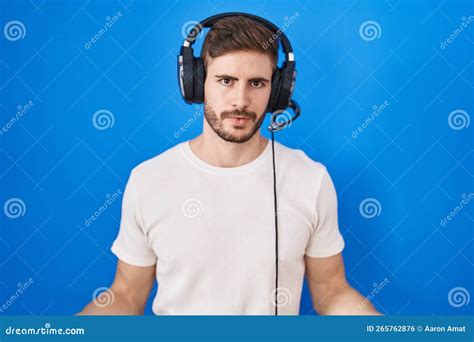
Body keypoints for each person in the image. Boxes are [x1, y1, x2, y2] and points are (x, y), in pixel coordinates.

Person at [78, 14, 380, 316]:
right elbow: (127, 295)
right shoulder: (149, 180)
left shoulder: (310, 179)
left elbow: (332, 292)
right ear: (196, 83)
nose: (241, 100)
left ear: (277, 92)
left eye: (257, 83)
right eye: (226, 81)